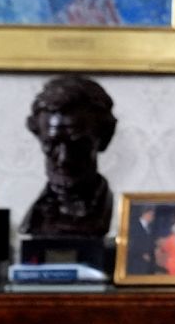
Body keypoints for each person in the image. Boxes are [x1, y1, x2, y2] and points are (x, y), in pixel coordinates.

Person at [19, 76, 118, 238]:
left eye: (78, 145)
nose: (64, 159)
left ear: (105, 138)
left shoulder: (113, 212)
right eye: (51, 144)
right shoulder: (35, 218)